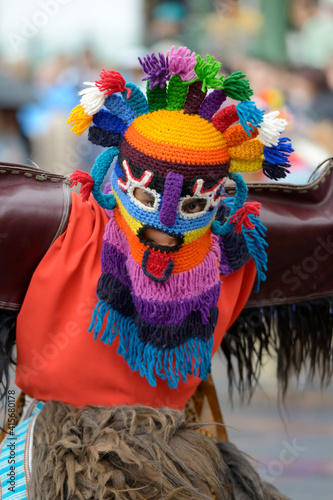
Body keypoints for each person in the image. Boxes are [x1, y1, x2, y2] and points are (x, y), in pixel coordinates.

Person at [0, 46, 294, 498]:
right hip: (167, 454)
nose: (164, 228)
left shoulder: (74, 223)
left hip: (67, 448)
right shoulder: (236, 255)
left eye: (190, 206)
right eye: (151, 197)